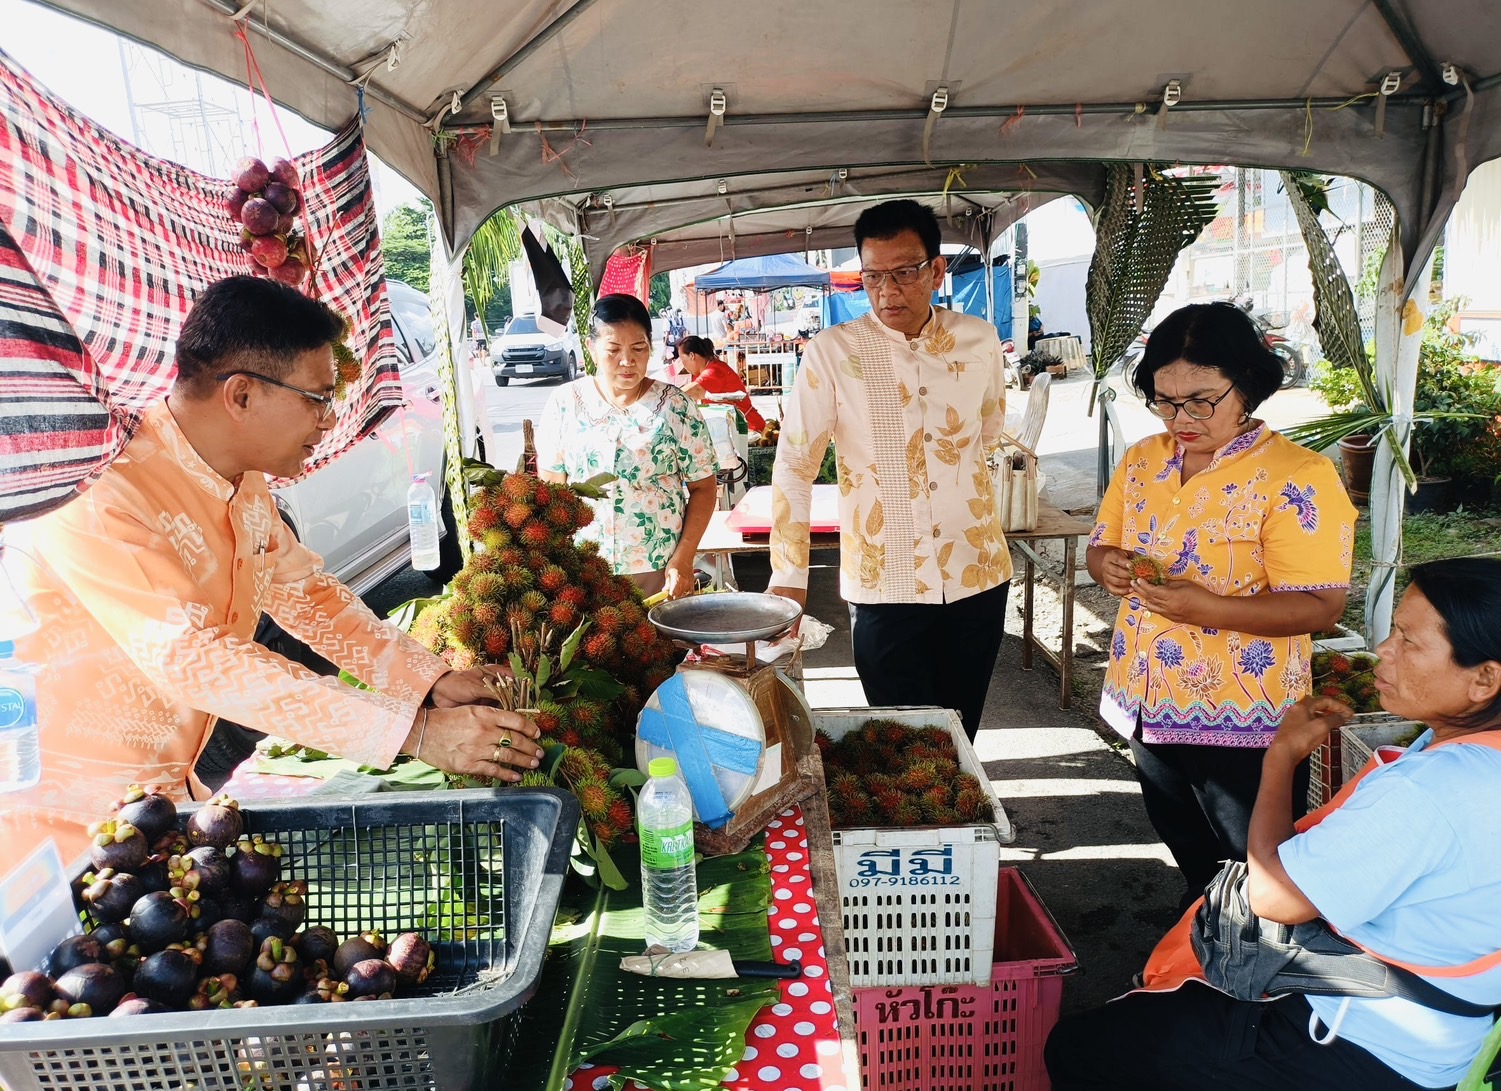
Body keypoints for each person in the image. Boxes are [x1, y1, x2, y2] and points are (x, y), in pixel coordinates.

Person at [0, 277, 542, 862]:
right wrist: (413, 732)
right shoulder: (103, 493)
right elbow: (195, 658)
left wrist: (428, 680)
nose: (329, 420)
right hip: (59, 828)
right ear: (241, 396)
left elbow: (308, 596)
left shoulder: (242, 481)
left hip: (156, 808)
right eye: (317, 398)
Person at [1046, 557, 1501, 1091]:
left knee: (1079, 1049)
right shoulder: (1468, 757)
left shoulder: (1433, 790)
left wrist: (1279, 758)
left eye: (1408, 640)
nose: (1383, 650)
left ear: (1485, 679)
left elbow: (1273, 897)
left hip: (1358, 1044)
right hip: (1450, 1031)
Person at [1087, 301, 1358, 910]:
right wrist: (1110, 568)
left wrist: (1204, 607)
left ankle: (1254, 976)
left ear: (1248, 386)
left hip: (1243, 712)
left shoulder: (1298, 476)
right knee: (1185, 844)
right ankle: (1202, 941)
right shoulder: (1143, 461)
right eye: (1165, 399)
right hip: (1147, 695)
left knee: (1253, 863)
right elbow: (1101, 548)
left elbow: (1319, 606)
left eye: (1202, 400)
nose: (1181, 417)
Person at [767, 199, 1011, 740]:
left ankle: (958, 819)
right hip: (885, 582)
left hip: (978, 572)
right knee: (901, 738)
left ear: (937, 270)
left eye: (905, 272)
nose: (888, 291)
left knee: (959, 731)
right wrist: (789, 579)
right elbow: (794, 467)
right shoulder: (833, 352)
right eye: (873, 276)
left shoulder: (978, 341)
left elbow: (988, 432)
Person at [536, 293, 718, 598]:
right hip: (584, 570)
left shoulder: (675, 406)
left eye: (638, 348)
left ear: (650, 347)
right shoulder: (565, 403)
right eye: (613, 349)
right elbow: (552, 488)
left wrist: (684, 559)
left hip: (659, 570)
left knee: (657, 645)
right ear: (592, 350)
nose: (627, 361)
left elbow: (704, 487)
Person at [675, 335, 766, 434]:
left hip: (749, 429)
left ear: (692, 355)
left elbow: (696, 390)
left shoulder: (714, 371)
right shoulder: (709, 368)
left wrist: (666, 395)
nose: (683, 365)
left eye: (682, 360)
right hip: (734, 429)